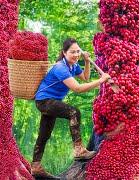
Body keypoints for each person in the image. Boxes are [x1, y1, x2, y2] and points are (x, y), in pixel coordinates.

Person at [31, 38, 111, 178]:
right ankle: (79, 150)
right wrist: (100, 80)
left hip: (51, 102)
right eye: (72, 52)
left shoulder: (73, 66)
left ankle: (36, 166)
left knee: (44, 134)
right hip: (44, 101)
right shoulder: (60, 68)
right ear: (64, 53)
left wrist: (86, 61)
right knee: (74, 112)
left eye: (78, 51)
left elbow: (85, 78)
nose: (76, 55)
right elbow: (77, 88)